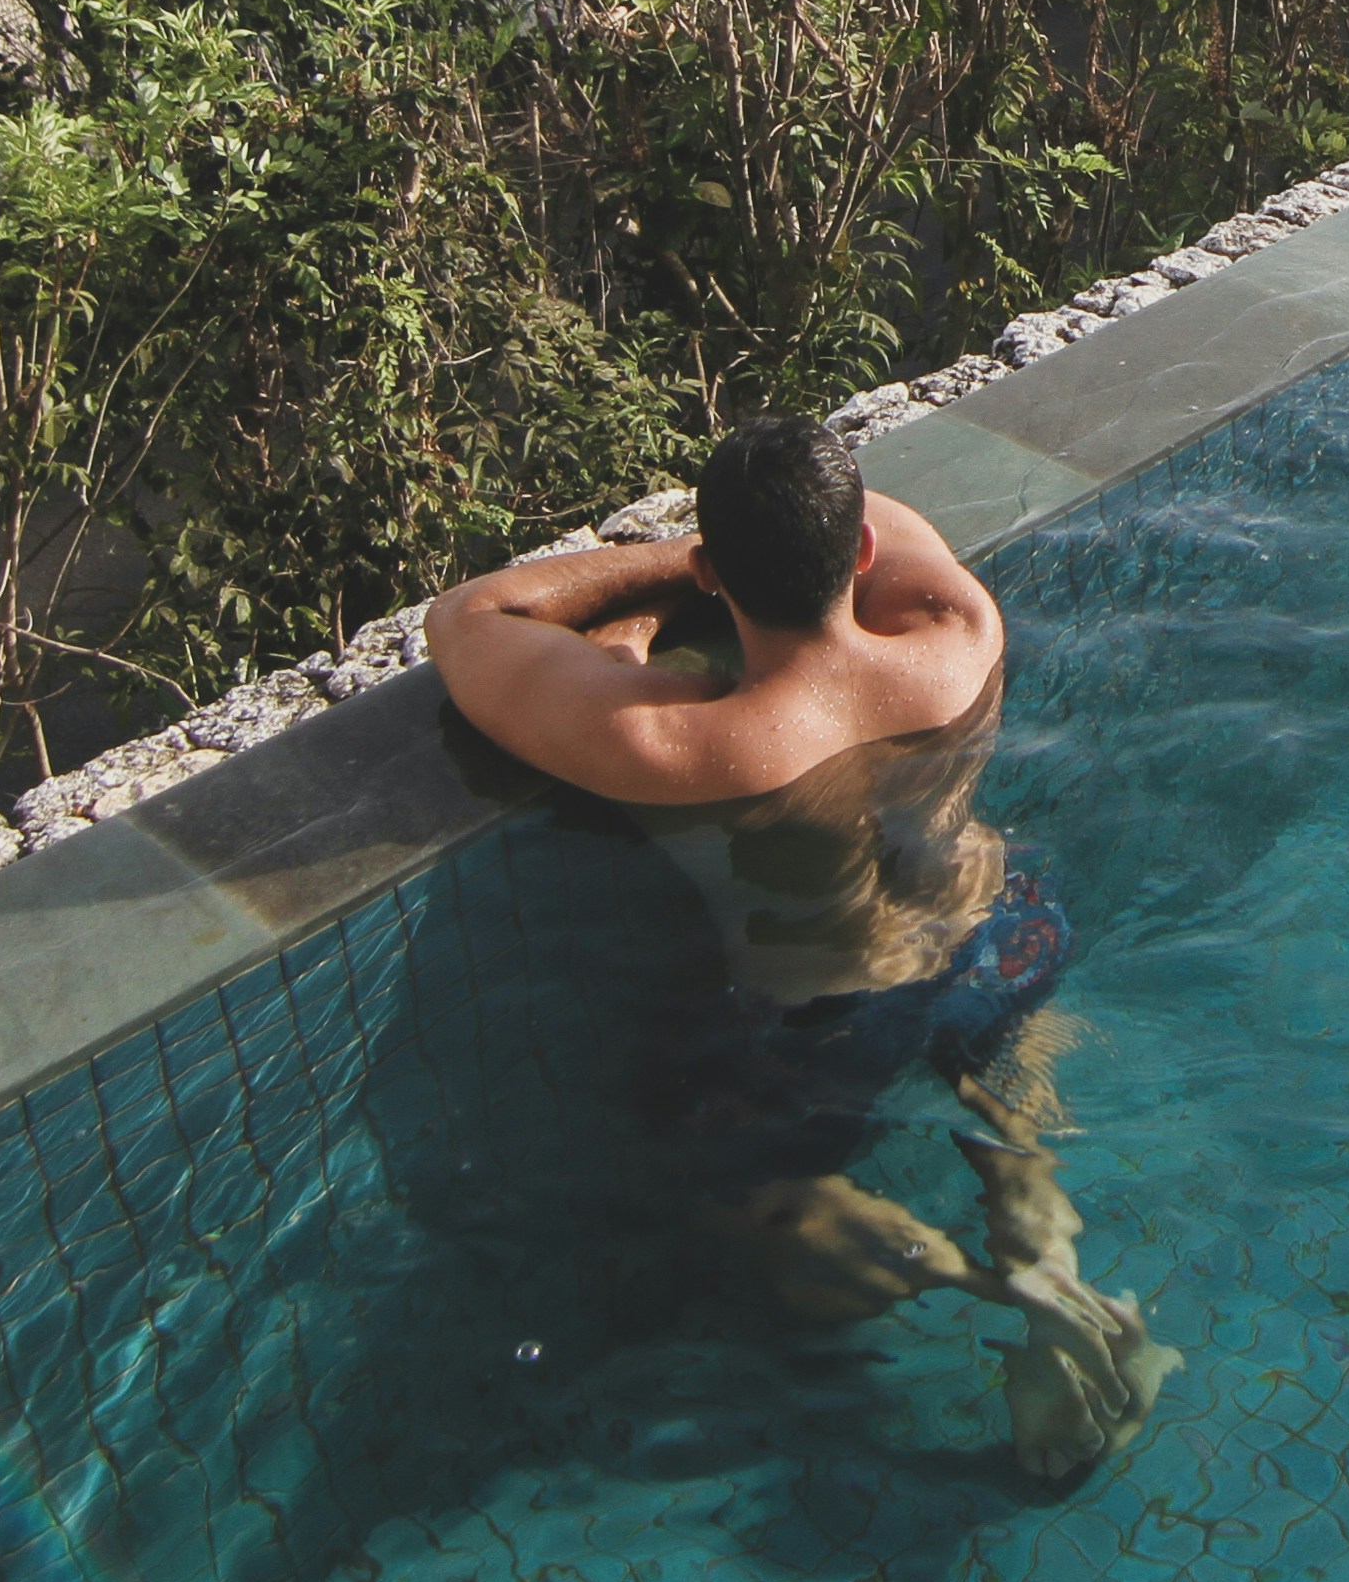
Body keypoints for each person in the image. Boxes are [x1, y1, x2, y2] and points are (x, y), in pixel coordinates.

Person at [424, 412, 1172, 1477]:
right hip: (999, 930)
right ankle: (1048, 1254)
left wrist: (672, 582)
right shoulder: (957, 633)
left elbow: (470, 616)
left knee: (710, 1192)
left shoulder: (677, 740)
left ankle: (955, 1275)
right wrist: (748, 559)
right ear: (857, 555)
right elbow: (883, 517)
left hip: (832, 1016)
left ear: (719, 573)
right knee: (1011, 1115)